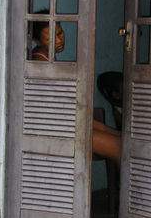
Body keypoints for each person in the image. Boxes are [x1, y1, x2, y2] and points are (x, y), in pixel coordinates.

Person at [31, 18, 121, 166]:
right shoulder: (40, 63)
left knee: (121, 139)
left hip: (66, 122)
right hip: (56, 130)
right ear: (37, 41)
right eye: (50, 38)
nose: (59, 40)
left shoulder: (47, 56)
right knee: (118, 147)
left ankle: (115, 189)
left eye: (60, 33)